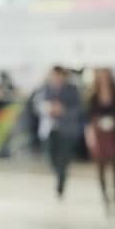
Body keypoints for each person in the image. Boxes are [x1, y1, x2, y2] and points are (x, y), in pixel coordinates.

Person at [33, 66, 83, 199]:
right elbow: (37, 104)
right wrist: (48, 108)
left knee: (63, 159)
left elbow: (78, 109)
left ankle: (60, 185)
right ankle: (59, 175)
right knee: (50, 156)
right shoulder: (45, 89)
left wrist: (63, 110)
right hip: (49, 129)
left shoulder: (72, 90)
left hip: (67, 130)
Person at [85, 69, 115, 216]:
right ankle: (105, 200)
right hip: (99, 135)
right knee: (101, 169)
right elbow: (89, 117)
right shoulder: (93, 95)